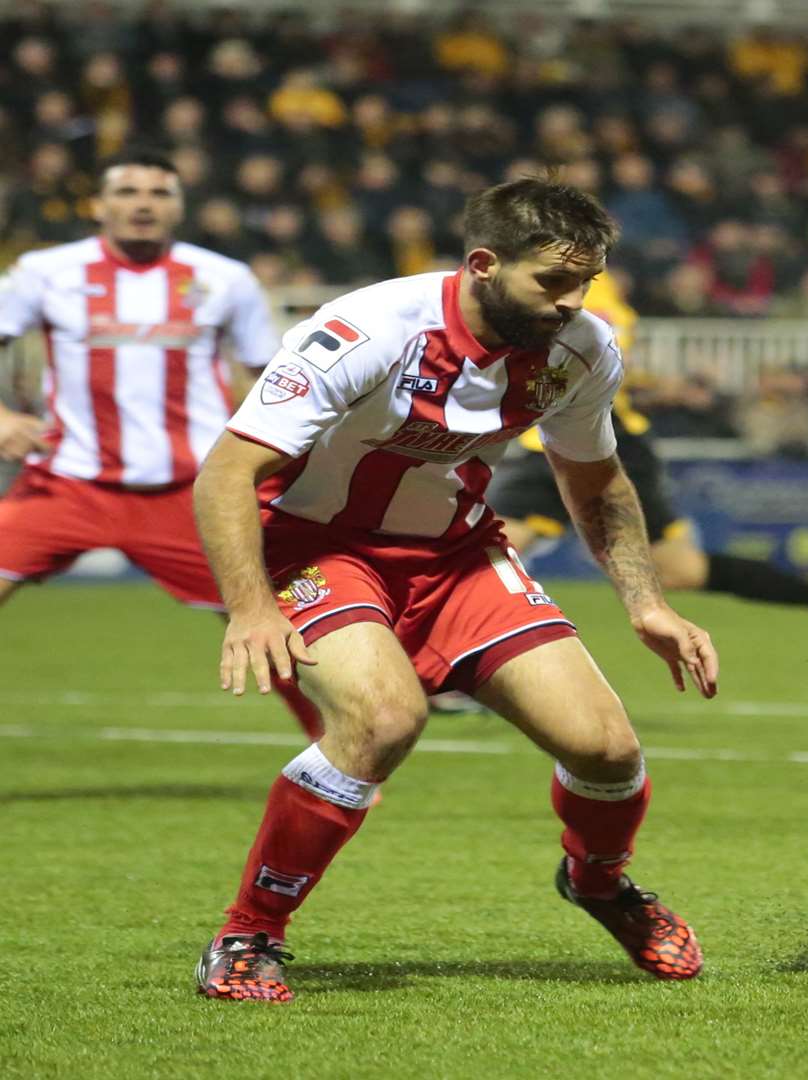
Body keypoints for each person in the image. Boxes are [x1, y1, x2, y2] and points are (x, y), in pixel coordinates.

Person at [190, 177, 718, 1003]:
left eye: (585, 281)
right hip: (317, 547)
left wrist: (646, 603)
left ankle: (601, 884)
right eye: (552, 282)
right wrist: (252, 606)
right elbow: (227, 471)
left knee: (606, 750)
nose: (573, 301)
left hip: (458, 555)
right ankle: (249, 932)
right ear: (482, 263)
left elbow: (595, 478)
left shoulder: (581, 348)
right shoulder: (364, 331)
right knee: (383, 719)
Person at [0, 148, 324, 740]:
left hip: (190, 492)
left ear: (179, 206)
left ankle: (342, 750)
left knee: (265, 617)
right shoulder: (46, 272)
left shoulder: (224, 278)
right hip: (67, 482)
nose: (143, 204)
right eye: (127, 192)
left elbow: (271, 375)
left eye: (158, 193)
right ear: (97, 206)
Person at [487, 275, 808, 672]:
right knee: (677, 569)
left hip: (588, 439)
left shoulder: (587, 293)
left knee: (493, 551)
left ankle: (463, 673)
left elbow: (573, 359)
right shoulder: (571, 286)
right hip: (585, 436)